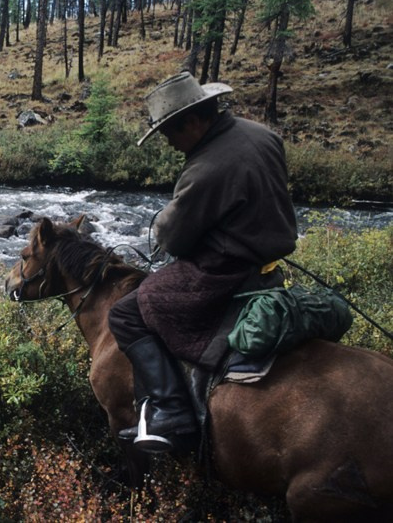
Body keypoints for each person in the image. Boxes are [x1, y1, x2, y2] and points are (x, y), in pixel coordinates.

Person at [109, 72, 298, 453]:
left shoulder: (206, 167)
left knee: (126, 314)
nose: (171, 144)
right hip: (267, 263)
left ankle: (172, 411)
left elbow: (173, 237)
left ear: (194, 121)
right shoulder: (262, 134)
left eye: (170, 134)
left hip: (223, 272)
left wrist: (168, 218)